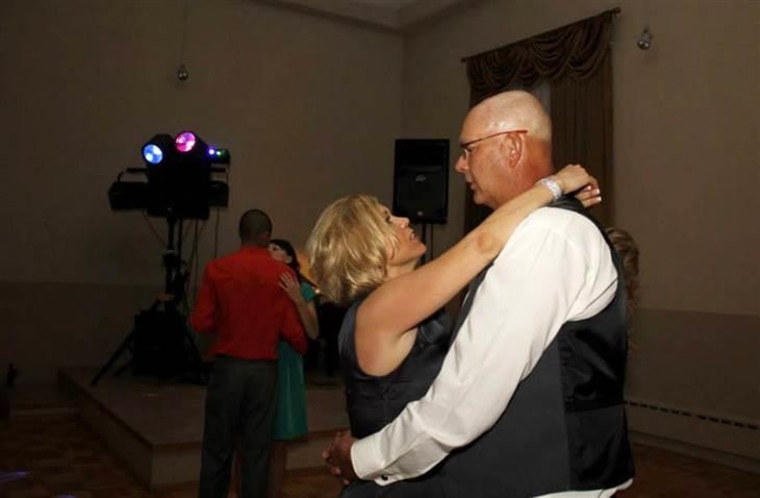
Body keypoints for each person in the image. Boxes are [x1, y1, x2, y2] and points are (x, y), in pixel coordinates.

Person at [323, 90, 635, 497]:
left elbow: (465, 399)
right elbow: (481, 245)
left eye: (468, 149)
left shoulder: (546, 232)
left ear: (512, 144)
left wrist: (363, 457)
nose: (459, 164)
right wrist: (554, 185)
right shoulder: (538, 230)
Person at [308, 168, 601, 496]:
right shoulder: (382, 306)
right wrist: (553, 185)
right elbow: (483, 244)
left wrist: (544, 212)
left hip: (407, 471)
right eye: (387, 220)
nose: (404, 220)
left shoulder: (383, 308)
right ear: (364, 246)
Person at [191, 209, 308, 498]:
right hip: (263, 371)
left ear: (241, 234)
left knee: (217, 449)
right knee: (256, 452)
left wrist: (228, 322)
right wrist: (303, 346)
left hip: (228, 367)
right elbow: (293, 332)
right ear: (266, 235)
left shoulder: (218, 268)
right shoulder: (282, 273)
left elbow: (201, 322)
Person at [267, 238, 320, 498]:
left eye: (275, 249)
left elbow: (313, 332)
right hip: (260, 359)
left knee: (278, 440)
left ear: (288, 259)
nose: (269, 252)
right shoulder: (261, 282)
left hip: (287, 361)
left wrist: (298, 299)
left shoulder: (304, 289)